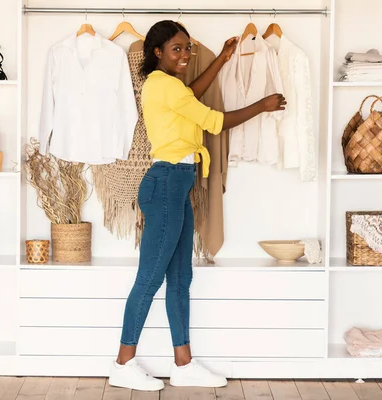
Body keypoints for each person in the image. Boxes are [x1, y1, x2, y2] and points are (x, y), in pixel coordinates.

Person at [108, 20, 287, 391]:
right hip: (166, 184)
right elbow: (216, 122)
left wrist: (221, 59)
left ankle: (183, 364)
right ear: (157, 52)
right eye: (177, 49)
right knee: (150, 278)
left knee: (180, 279)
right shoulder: (162, 85)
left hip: (178, 185)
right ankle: (122, 364)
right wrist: (263, 105)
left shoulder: (169, 86)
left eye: (188, 48)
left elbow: (190, 93)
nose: (186, 55)